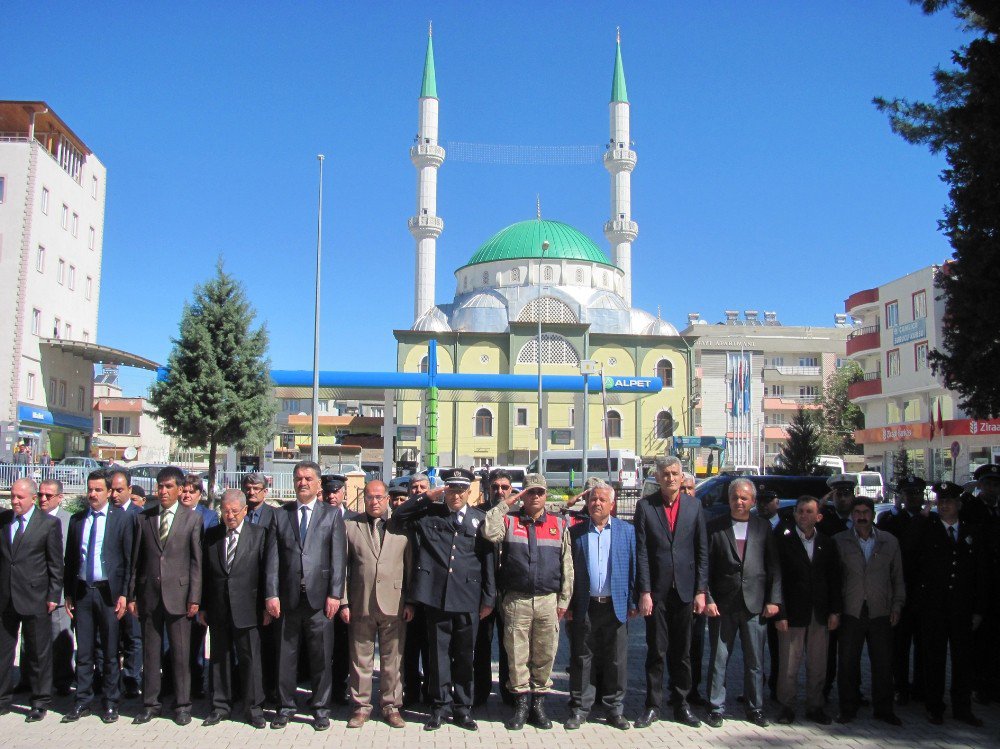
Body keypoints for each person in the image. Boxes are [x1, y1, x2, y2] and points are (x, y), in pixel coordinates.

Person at [393, 467, 496, 731]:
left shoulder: (479, 519)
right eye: (451, 489)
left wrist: (488, 598)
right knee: (438, 657)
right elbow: (399, 514)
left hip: (468, 598)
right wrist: (427, 496)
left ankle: (463, 708)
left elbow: (487, 561)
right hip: (437, 598)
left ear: (469, 492)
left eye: (461, 490)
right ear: (445, 490)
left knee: (464, 656)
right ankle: (439, 707)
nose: (455, 495)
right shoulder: (431, 514)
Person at [482, 473, 572, 731]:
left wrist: (564, 599)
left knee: (544, 655)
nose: (535, 497)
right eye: (530, 492)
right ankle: (521, 705)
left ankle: (539, 705)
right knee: (517, 656)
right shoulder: (509, 521)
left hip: (547, 600)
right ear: (523, 495)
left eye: (539, 492)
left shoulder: (558, 524)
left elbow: (568, 565)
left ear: (545, 495)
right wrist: (506, 503)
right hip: (516, 601)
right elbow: (489, 531)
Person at [264, 460, 346, 731]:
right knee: (285, 656)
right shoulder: (280, 514)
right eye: (298, 478)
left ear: (318, 483)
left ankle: (321, 708)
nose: (302, 483)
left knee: (321, 656)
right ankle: (285, 707)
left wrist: (335, 594)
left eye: (308, 478)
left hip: (320, 600)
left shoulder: (331, 514)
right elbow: (273, 560)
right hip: (287, 600)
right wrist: (271, 594)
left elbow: (338, 558)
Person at [633, 455, 708, 729]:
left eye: (675, 473)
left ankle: (681, 704)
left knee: (683, 652)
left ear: (681, 476)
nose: (671, 478)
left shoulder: (694, 506)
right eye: (666, 474)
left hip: (686, 590)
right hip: (657, 592)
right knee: (656, 650)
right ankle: (653, 705)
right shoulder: (645, 507)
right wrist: (644, 591)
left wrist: (701, 590)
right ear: (658, 477)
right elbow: (641, 552)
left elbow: (702, 551)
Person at [906, 481, 987, 726]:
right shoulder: (927, 529)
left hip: (962, 608)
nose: (944, 506)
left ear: (958, 505)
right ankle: (935, 706)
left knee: (963, 660)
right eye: (940, 502)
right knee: (934, 659)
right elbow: (908, 550)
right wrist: (922, 516)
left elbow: (981, 575)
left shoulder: (972, 532)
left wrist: (979, 609)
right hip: (934, 607)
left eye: (949, 502)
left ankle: (962, 707)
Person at [703, 478, 782, 729]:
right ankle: (716, 707)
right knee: (718, 659)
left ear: (753, 501)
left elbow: (773, 567)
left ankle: (755, 707)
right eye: (735, 497)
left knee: (755, 661)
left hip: (754, 604)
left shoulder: (762, 528)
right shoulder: (715, 527)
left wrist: (773, 600)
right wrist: (709, 598)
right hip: (722, 605)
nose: (739, 502)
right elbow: (706, 567)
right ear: (728, 500)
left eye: (744, 498)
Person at [128, 465, 203, 726]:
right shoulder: (145, 518)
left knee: (181, 654)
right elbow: (136, 561)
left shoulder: (192, 519)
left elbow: (196, 561)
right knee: (151, 652)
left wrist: (195, 597)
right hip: (149, 594)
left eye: (169, 486)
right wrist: (132, 595)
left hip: (179, 596)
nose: (163, 491)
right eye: (160, 486)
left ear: (181, 489)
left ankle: (182, 705)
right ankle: (150, 703)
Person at [62, 470, 134, 724]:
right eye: (90, 489)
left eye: (98, 490)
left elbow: (128, 561)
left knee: (111, 650)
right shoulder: (77, 520)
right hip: (83, 592)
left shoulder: (121, 520)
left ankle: (111, 701)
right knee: (84, 651)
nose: (93, 494)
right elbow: (70, 560)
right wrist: (68, 592)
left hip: (109, 594)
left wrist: (125, 593)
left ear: (108, 492)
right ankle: (82, 700)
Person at [200, 489, 274, 729]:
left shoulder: (259, 535)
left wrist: (266, 605)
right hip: (219, 608)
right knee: (219, 657)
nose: (230, 516)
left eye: (234, 511)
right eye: (225, 511)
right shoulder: (211, 535)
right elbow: (204, 573)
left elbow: (266, 573)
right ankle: (220, 705)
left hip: (248, 608)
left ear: (245, 511)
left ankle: (253, 708)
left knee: (251, 659)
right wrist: (202, 605)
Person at [340, 480, 412, 729]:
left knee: (393, 659)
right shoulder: (350, 526)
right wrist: (343, 602)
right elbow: (343, 567)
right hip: (361, 602)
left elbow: (410, 566)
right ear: (364, 499)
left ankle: (391, 706)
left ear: (387, 499)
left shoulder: (402, 527)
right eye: (370, 497)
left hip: (394, 603)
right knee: (360, 658)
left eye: (379, 497)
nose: (374, 501)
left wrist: (410, 601)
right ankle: (361, 706)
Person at [565, 484, 636, 730]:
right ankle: (580, 708)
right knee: (582, 658)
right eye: (593, 499)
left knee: (616, 659)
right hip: (586, 605)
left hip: (615, 605)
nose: (597, 503)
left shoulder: (627, 531)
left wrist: (633, 602)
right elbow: (570, 573)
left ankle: (614, 709)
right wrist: (570, 604)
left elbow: (633, 568)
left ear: (612, 504)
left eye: (603, 499)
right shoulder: (576, 533)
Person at [833, 496, 904, 726]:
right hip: (851, 610)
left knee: (883, 663)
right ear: (852, 515)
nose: (861, 517)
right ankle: (848, 708)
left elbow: (898, 578)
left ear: (872, 515)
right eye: (857, 512)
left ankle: (884, 709)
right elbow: (833, 579)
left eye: (866, 512)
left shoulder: (889, 541)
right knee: (847, 663)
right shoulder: (839, 541)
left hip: (880, 610)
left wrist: (897, 605)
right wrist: (835, 610)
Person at [773, 496, 841, 725]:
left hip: (819, 612)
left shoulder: (827, 543)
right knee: (789, 664)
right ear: (794, 515)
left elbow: (834, 580)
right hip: (793, 612)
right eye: (800, 511)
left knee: (818, 664)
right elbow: (777, 578)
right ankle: (787, 706)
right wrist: (780, 612)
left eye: (809, 511)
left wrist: (835, 611)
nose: (804, 515)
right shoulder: (784, 541)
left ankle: (815, 706)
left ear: (818, 516)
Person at [0, 478, 63, 722]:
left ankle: (39, 701)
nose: (14, 501)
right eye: (12, 496)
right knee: (4, 652)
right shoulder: (4, 521)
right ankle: (3, 699)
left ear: (33, 498)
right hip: (6, 597)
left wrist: (53, 595)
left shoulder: (48, 524)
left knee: (38, 653)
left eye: (20, 497)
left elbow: (55, 564)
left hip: (36, 597)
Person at [877, 475, 927, 705]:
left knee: (925, 645)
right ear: (901, 496)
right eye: (908, 493)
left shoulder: (931, 521)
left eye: (917, 493)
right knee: (899, 645)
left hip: (924, 592)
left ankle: (921, 687)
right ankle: (900, 687)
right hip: (899, 589)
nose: (913, 497)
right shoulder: (890, 520)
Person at [473, 469, 514, 707]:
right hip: (482, 591)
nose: (499, 491)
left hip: (510, 590)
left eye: (504, 487)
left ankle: (509, 692)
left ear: (511, 489)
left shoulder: (517, 514)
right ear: (487, 489)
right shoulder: (477, 514)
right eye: (495, 487)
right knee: (481, 643)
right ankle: (479, 691)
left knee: (510, 645)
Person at [816, 473, 858, 701]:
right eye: (838, 495)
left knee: (852, 650)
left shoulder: (861, 519)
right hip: (831, 594)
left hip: (854, 593)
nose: (843, 499)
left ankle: (853, 692)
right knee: (828, 650)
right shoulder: (827, 521)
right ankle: (824, 690)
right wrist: (822, 503)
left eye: (847, 494)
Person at [961, 464, 1000, 703]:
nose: (992, 489)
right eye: (987, 484)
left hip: (997, 587)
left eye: (996, 484)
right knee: (979, 641)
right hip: (979, 583)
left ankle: (994, 684)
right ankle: (978, 685)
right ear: (980, 486)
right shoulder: (971, 509)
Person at [33, 479, 75, 697]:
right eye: (40, 494)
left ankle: (63, 680)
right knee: (31, 641)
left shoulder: (68, 521)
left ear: (60, 497)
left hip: (58, 591)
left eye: (48, 496)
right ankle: (28, 679)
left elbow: (69, 558)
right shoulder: (33, 518)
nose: (43, 499)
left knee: (60, 636)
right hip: (32, 591)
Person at [241, 472, 278, 704]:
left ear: (265, 491)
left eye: (256, 489)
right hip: (240, 591)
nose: (252, 492)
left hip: (265, 590)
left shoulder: (275, 516)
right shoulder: (237, 513)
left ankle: (269, 691)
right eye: (248, 488)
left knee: (268, 646)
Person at [322, 472, 358, 705]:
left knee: (345, 645)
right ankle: (322, 690)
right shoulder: (317, 516)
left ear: (344, 493)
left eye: (336, 491)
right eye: (327, 492)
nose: (331, 496)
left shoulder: (356, 519)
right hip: (322, 592)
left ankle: (339, 689)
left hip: (348, 593)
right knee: (323, 646)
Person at [107, 469, 143, 698]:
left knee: (133, 637)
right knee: (109, 639)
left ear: (130, 490)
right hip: (108, 588)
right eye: (111, 490)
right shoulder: (105, 513)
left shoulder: (139, 516)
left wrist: (133, 592)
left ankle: (132, 678)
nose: (114, 495)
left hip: (131, 589)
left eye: (119, 490)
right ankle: (108, 680)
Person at [400, 472, 431, 706]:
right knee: (409, 649)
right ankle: (411, 692)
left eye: (423, 487)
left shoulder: (436, 513)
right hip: (407, 592)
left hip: (431, 594)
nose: (418, 490)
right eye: (414, 487)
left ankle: (431, 691)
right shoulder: (403, 517)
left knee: (431, 649)